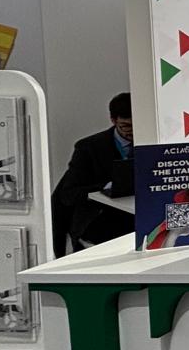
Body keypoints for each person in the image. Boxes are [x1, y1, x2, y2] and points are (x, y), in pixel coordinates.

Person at [52, 91, 135, 255]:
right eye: (126, 126)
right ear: (113, 120)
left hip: (136, 219)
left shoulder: (151, 141)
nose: (133, 131)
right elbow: (68, 195)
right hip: (99, 221)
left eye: (138, 124)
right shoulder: (89, 148)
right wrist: (106, 187)